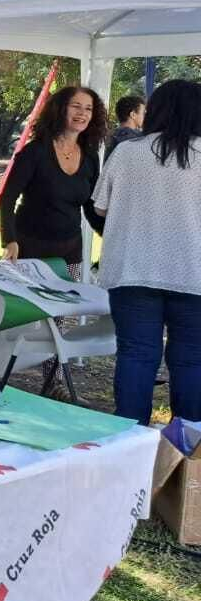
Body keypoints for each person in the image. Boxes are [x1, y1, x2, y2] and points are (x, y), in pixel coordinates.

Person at [92, 79, 201, 426]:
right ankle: (188, 450)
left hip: (132, 270)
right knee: (191, 361)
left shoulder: (128, 152)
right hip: (193, 274)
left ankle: (128, 441)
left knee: (136, 356)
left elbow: (101, 207)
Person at [0, 85, 106, 279]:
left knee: (68, 303)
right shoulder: (34, 152)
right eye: (76, 106)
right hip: (29, 247)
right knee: (32, 306)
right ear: (61, 108)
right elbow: (7, 198)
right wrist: (9, 241)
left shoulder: (90, 157)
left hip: (71, 250)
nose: (82, 113)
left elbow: (90, 205)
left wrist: (109, 233)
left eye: (88, 108)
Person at [106, 93, 146, 159]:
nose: (145, 117)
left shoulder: (113, 134)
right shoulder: (133, 138)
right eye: (143, 113)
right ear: (133, 115)